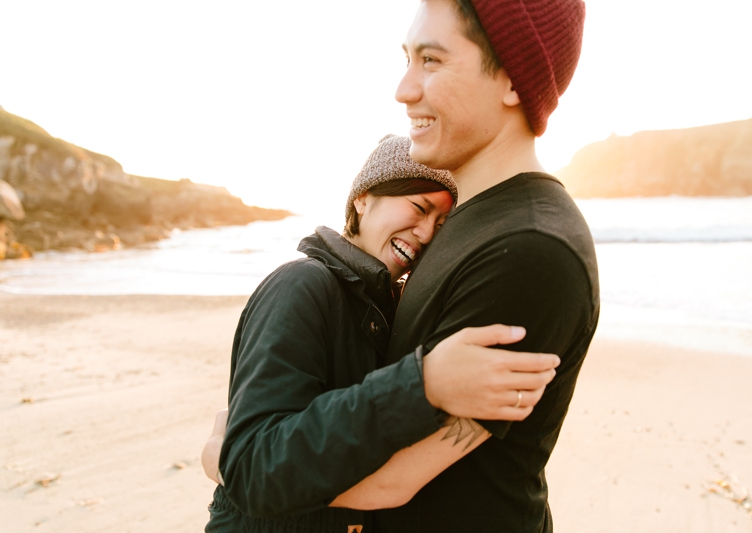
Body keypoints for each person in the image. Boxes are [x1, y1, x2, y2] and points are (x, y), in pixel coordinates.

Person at [203, 134, 561, 532]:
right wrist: (421, 383)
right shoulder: (301, 285)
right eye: (419, 207)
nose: (426, 234)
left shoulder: (390, 309)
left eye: (441, 225)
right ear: (363, 198)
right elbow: (257, 462)